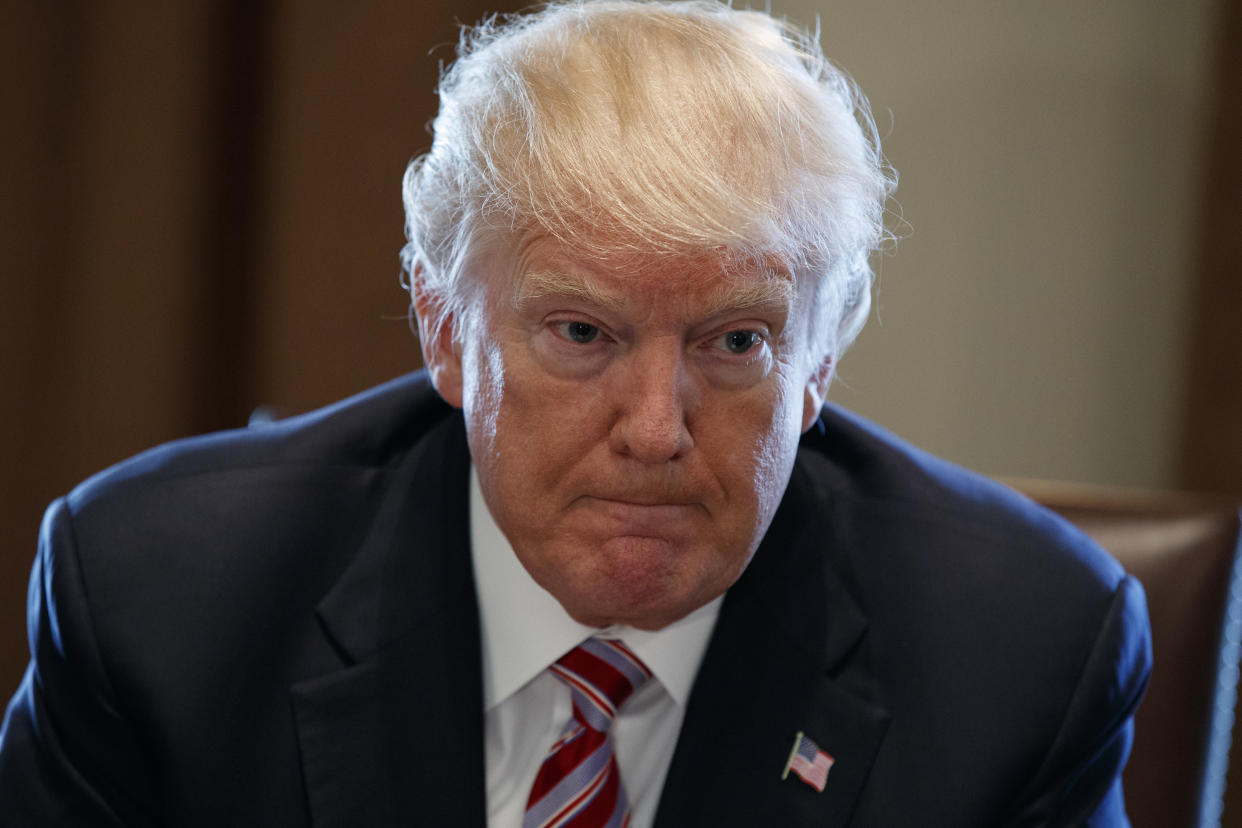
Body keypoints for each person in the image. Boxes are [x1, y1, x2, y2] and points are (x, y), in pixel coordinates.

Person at [0, 1, 1150, 825]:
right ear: (447, 330)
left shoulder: (1022, 655)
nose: (656, 427)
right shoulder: (159, 603)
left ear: (820, 363)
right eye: (583, 335)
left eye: (736, 342)